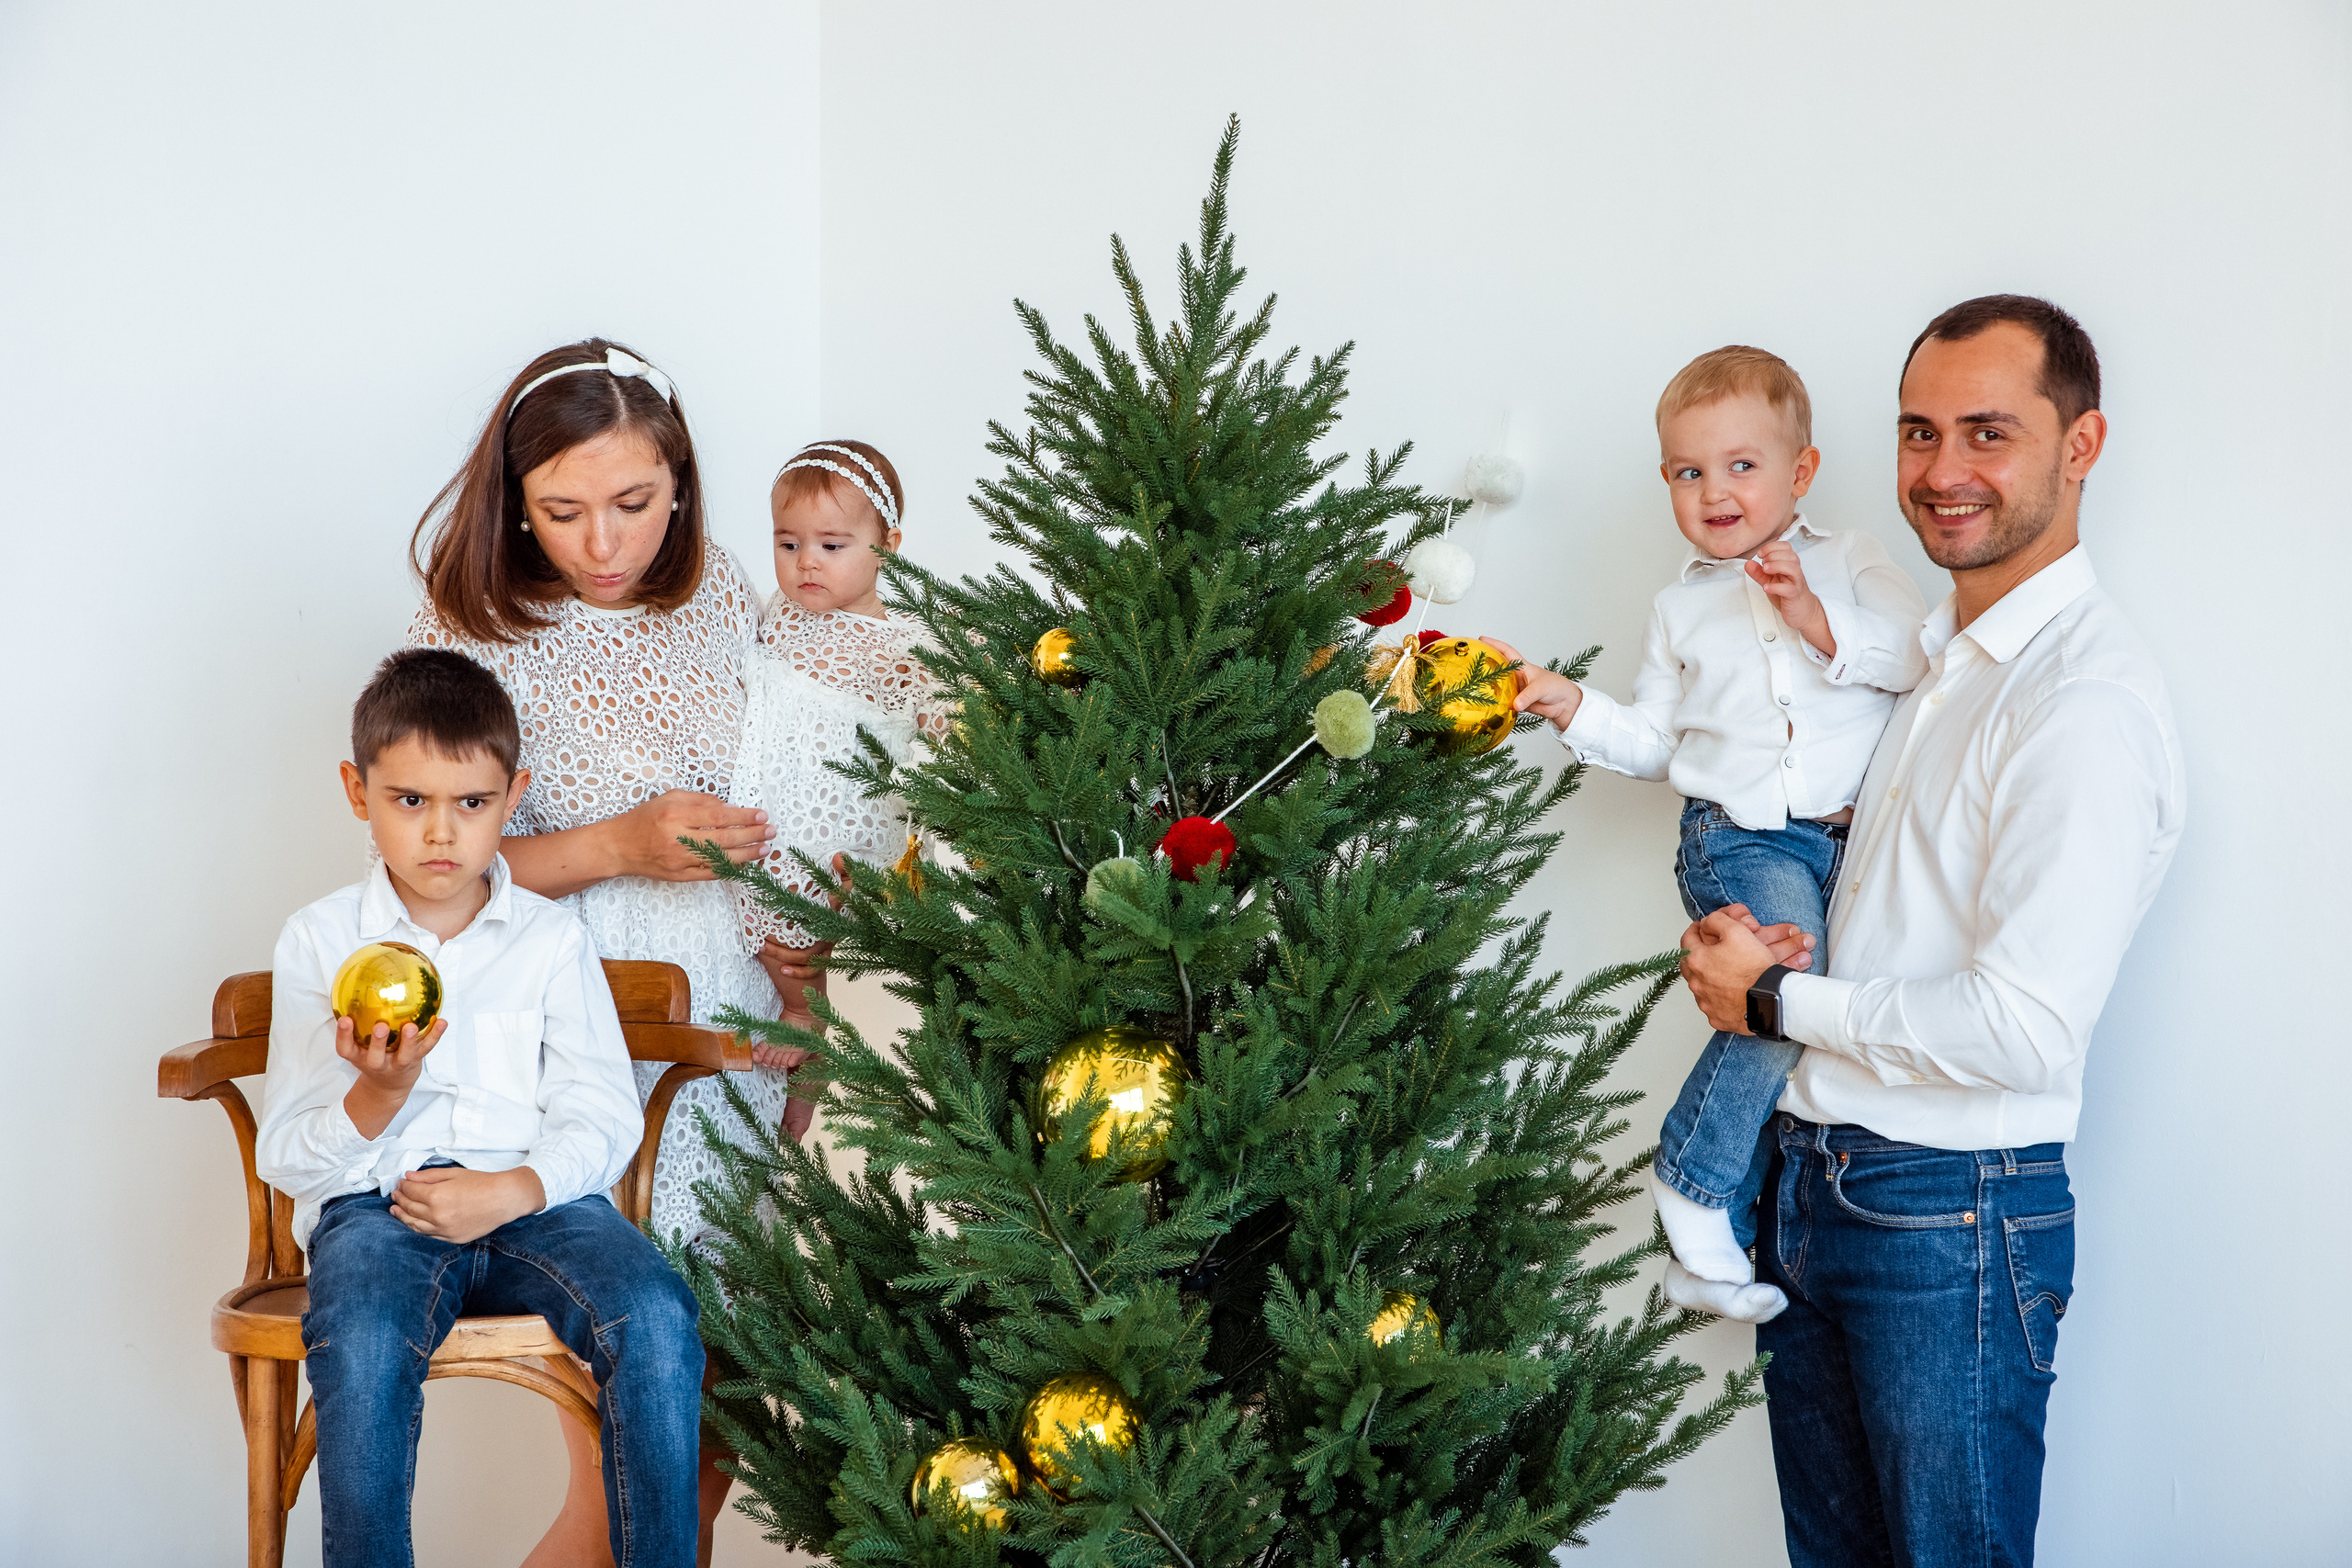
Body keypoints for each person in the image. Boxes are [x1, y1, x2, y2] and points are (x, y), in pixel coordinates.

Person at [1678, 297, 2186, 1566]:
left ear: (2082, 445)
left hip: (1948, 1211)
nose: (1943, 471)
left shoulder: (2081, 702)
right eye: (1918, 432)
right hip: (1818, 1184)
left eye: (1988, 433)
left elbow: (2022, 1025)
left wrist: (1774, 1003)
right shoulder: (1933, 660)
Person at [405, 339, 804, 1563]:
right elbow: (428, 873)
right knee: (640, 1438)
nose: (603, 543)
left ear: (678, 481)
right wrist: (620, 843)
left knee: (710, 1441)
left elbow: (778, 777)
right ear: (514, 504)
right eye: (562, 510)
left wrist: (804, 953)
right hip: (581, 1038)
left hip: (729, 1026)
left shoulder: (726, 590)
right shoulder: (471, 634)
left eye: (633, 503)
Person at [1490, 345, 1928, 1321]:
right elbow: (1653, 742)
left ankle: (1738, 1214)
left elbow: (1914, 657)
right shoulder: (1679, 607)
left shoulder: (1850, 559)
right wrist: (1567, 705)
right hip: (1740, 837)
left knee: (1818, 1028)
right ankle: (1692, 1189)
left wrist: (1814, 617)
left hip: (1848, 849)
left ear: (1800, 473)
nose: (1715, 491)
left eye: (1741, 465)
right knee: (1778, 995)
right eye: (1689, 472)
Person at [255, 648, 703, 1568]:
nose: (440, 835)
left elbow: (603, 1113)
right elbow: (288, 1157)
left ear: (513, 795)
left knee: (654, 1311)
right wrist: (378, 1095)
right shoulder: (320, 941)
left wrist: (514, 1188)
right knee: (366, 1339)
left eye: (473, 804)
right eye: (409, 801)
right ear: (357, 789)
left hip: (537, 1211)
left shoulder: (548, 940)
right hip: (378, 1211)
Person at [725, 440, 949, 1074]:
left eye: (831, 545)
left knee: (798, 902)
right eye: (788, 543)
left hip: (836, 809)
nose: (804, 564)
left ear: (888, 546)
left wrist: (949, 718)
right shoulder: (781, 612)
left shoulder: (899, 641)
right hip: (774, 789)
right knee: (750, 894)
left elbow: (936, 707)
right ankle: (799, 1008)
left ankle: (805, 1006)